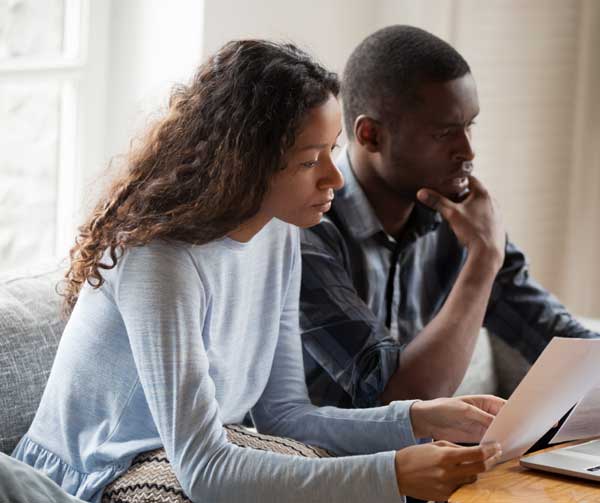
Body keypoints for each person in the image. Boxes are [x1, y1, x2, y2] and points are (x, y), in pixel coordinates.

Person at [9, 40, 503, 503]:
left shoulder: (280, 234)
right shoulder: (160, 261)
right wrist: (392, 472)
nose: (334, 178)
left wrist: (417, 417)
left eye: (331, 151)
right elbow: (204, 468)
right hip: (97, 477)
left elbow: (284, 417)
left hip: (191, 460)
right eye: (311, 160)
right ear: (245, 163)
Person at [299, 24, 598, 410]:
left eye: (469, 126)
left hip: (429, 460)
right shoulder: (309, 229)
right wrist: (484, 258)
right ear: (371, 135)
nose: (468, 151)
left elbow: (559, 338)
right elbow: (400, 401)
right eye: (444, 134)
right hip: (321, 461)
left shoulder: (455, 219)